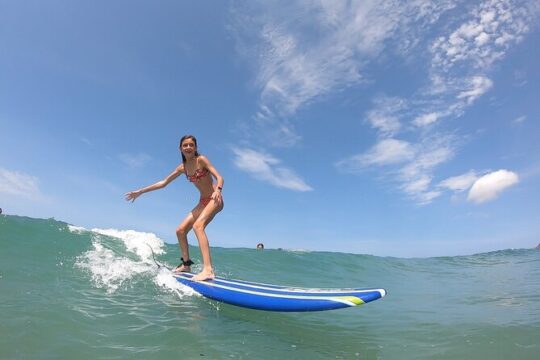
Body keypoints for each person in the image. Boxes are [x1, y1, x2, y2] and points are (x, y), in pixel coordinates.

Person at [125, 135, 224, 281]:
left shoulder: (201, 160)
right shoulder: (182, 168)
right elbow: (163, 182)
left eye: (191, 145)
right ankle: (186, 264)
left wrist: (218, 190)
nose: (188, 147)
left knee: (198, 226)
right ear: (180, 148)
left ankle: (208, 270)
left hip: (215, 199)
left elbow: (219, 177)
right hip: (203, 201)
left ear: (195, 147)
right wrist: (141, 191)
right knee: (180, 230)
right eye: (185, 145)